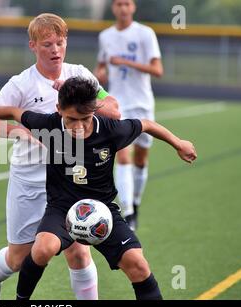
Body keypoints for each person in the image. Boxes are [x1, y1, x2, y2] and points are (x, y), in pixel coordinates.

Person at [0, 76, 197, 300]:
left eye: (86, 119)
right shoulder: (49, 125)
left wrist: (178, 143)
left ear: (93, 111)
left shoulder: (111, 131)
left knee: (138, 264)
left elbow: (146, 124)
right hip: (61, 208)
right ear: (58, 110)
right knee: (42, 249)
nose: (79, 126)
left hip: (103, 211)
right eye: (72, 119)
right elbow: (13, 111)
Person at [0, 13, 120, 300]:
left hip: (71, 181)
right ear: (33, 46)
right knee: (18, 258)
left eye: (60, 43)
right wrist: (20, 133)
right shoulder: (21, 84)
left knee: (78, 250)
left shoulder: (80, 75)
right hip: (30, 181)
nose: (55, 50)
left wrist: (75, 96)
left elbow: (113, 110)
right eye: (47, 44)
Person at [94, 0, 164, 231]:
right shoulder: (105, 36)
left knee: (140, 159)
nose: (122, 8)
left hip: (142, 103)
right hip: (117, 105)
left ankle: (135, 201)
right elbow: (101, 67)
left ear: (133, 7)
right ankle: (128, 212)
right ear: (113, 8)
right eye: (118, 4)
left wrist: (125, 62)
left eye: (127, 3)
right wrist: (100, 74)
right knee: (122, 156)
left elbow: (157, 70)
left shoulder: (145, 33)